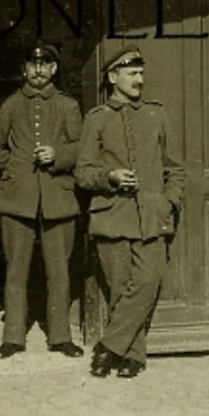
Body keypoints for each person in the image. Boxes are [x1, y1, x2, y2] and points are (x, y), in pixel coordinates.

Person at [75, 45, 184, 379]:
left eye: (141, 73)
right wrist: (110, 177)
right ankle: (134, 356)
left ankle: (108, 347)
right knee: (121, 289)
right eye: (132, 73)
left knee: (148, 281)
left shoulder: (157, 114)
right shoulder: (97, 119)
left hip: (152, 216)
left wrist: (168, 201)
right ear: (113, 77)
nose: (139, 79)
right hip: (112, 215)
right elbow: (82, 172)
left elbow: (176, 169)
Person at [0, 38, 85, 359]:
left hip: (58, 196)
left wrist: (59, 155)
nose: (38, 70)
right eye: (32, 65)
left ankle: (60, 336)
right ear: (24, 69)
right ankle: (13, 337)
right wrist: (14, 168)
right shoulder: (12, 105)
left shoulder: (68, 106)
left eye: (45, 65)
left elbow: (83, 148)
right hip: (18, 197)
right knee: (16, 270)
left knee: (59, 270)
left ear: (53, 69)